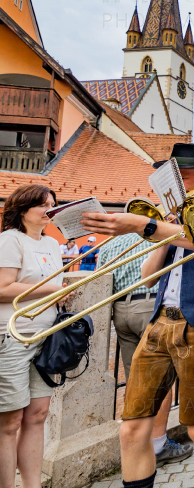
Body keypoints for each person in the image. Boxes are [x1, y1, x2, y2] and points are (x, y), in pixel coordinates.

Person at [81, 143, 194, 488]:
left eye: (180, 177)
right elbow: (149, 276)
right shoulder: (173, 216)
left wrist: (148, 226)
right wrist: (160, 232)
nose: (174, 186)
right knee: (132, 427)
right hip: (159, 322)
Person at [98, 233, 189, 465]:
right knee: (162, 379)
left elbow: (101, 278)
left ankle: (137, 441)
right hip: (151, 304)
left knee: (135, 379)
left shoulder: (111, 242)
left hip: (121, 309)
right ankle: (158, 444)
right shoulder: (158, 234)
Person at [0, 185, 62, 488]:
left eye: (52, 203)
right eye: (42, 203)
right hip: (13, 336)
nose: (49, 207)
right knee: (9, 422)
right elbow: (1, 289)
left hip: (45, 337)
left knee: (38, 414)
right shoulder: (10, 240)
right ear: (23, 209)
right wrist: (54, 289)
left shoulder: (51, 244)